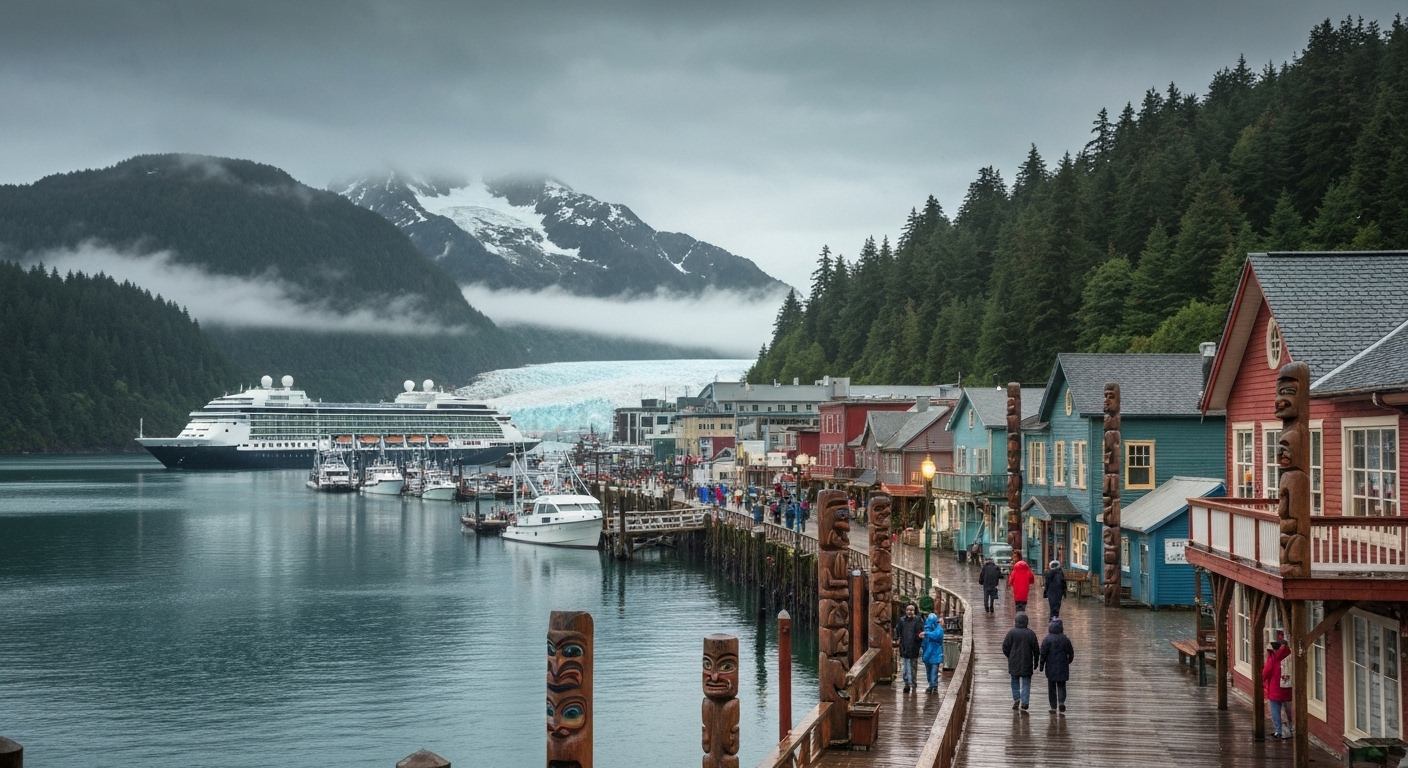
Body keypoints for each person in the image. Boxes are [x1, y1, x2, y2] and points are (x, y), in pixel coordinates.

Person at [1002, 613, 1039, 711]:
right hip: (1027, 661)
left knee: (1014, 680)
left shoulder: (1011, 633)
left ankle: (1016, 698)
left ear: (1016, 621)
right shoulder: (1031, 633)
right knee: (1026, 682)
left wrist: (1010, 656)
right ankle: (1025, 702)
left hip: (1014, 661)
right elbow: (1036, 649)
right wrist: (1036, 661)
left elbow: (1005, 646)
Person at [1039, 617, 1075, 713]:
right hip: (1062, 667)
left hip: (1050, 667)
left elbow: (1043, 653)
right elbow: (1071, 652)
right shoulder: (1065, 639)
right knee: (1061, 685)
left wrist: (1041, 665)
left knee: (1051, 687)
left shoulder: (1047, 639)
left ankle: (1053, 706)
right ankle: (1061, 702)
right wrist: (1068, 661)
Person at [1264, 639, 1293, 738]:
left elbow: (1266, 673)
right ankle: (1290, 729)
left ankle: (1279, 731)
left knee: (1276, 711)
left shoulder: (1274, 659)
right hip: (1288, 688)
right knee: (1288, 711)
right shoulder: (1289, 656)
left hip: (1275, 689)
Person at [895, 603, 924, 694]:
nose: (909, 612)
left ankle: (914, 684)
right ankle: (906, 684)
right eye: (908, 610)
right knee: (905, 667)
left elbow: (920, 632)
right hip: (904, 646)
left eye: (911, 610)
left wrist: (918, 638)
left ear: (914, 611)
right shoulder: (902, 620)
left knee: (913, 666)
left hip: (914, 646)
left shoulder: (918, 620)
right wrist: (898, 639)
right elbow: (898, 631)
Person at [921, 612, 945, 693]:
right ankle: (931, 685)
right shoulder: (926, 629)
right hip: (928, 654)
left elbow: (937, 636)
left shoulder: (939, 629)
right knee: (928, 672)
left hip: (935, 654)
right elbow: (923, 643)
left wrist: (926, 634)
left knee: (934, 671)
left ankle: (934, 686)